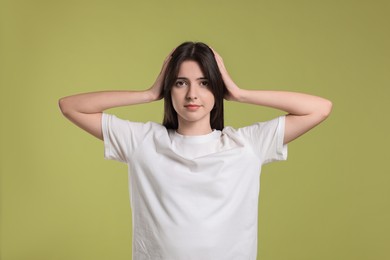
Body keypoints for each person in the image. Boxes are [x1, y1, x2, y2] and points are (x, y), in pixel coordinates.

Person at [59, 41, 332, 260]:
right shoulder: (142, 141)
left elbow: (319, 109)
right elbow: (70, 106)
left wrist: (239, 93)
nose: (192, 94)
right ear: (171, 89)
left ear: (217, 88)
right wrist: (149, 93)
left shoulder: (246, 145)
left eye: (204, 83)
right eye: (180, 83)